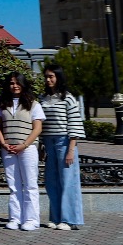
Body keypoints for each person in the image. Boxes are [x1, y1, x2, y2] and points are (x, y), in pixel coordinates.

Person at [0, 72, 44, 231]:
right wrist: (2, 143)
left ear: (23, 84)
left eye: (18, 83)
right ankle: (15, 218)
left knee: (30, 184)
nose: (14, 86)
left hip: (27, 148)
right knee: (13, 186)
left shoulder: (33, 104)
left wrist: (24, 144)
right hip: (8, 149)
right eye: (11, 83)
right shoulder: (2, 103)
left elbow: (37, 128)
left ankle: (31, 219)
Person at [39, 64, 85, 230]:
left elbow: (75, 124)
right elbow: (40, 124)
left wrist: (71, 149)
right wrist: (41, 146)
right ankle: (56, 217)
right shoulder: (42, 98)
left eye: (51, 76)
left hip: (64, 142)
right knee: (51, 182)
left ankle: (69, 220)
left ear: (58, 77)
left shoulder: (68, 98)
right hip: (48, 143)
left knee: (68, 181)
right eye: (46, 76)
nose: (48, 79)